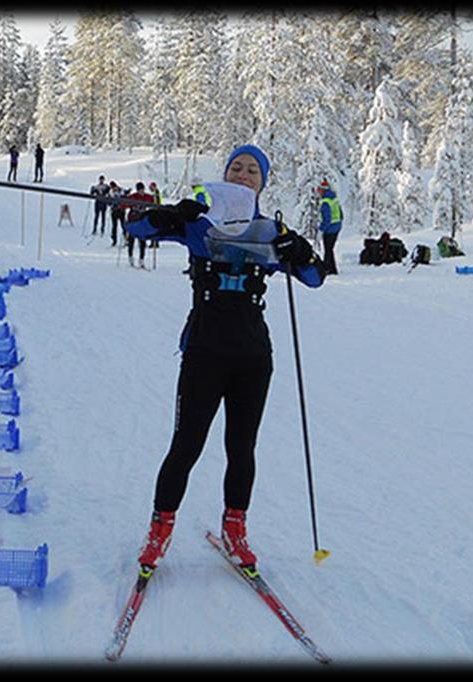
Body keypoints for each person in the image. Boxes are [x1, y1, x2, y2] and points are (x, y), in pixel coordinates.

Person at [123, 143, 325, 573]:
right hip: (204, 350)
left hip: (253, 355)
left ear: (262, 182)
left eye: (253, 170)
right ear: (225, 175)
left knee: (242, 447)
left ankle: (235, 531)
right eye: (237, 167)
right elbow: (137, 228)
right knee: (186, 445)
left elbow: (314, 277)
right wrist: (167, 215)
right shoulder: (199, 224)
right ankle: (159, 532)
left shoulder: (270, 231)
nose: (243, 174)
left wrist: (298, 248)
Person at [125, 182, 156, 268]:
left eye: (142, 190)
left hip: (142, 222)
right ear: (137, 190)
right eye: (140, 190)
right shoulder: (133, 197)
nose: (141, 192)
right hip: (132, 221)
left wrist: (155, 197)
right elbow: (124, 204)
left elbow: (154, 201)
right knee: (131, 240)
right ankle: (130, 258)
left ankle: (141, 260)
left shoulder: (147, 197)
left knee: (142, 241)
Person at [317, 179, 343, 275]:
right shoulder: (334, 198)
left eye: (319, 189)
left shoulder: (325, 202)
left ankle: (327, 268)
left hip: (330, 229)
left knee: (328, 249)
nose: (318, 192)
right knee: (330, 249)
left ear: (324, 190)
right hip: (337, 227)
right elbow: (341, 213)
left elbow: (326, 219)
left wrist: (321, 230)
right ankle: (332, 268)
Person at [109, 181, 127, 247]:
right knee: (114, 226)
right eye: (112, 188)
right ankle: (114, 240)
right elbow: (109, 201)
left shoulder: (121, 190)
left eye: (114, 187)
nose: (113, 189)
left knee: (123, 225)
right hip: (114, 211)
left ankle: (126, 239)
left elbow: (125, 196)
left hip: (121, 211)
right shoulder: (111, 192)